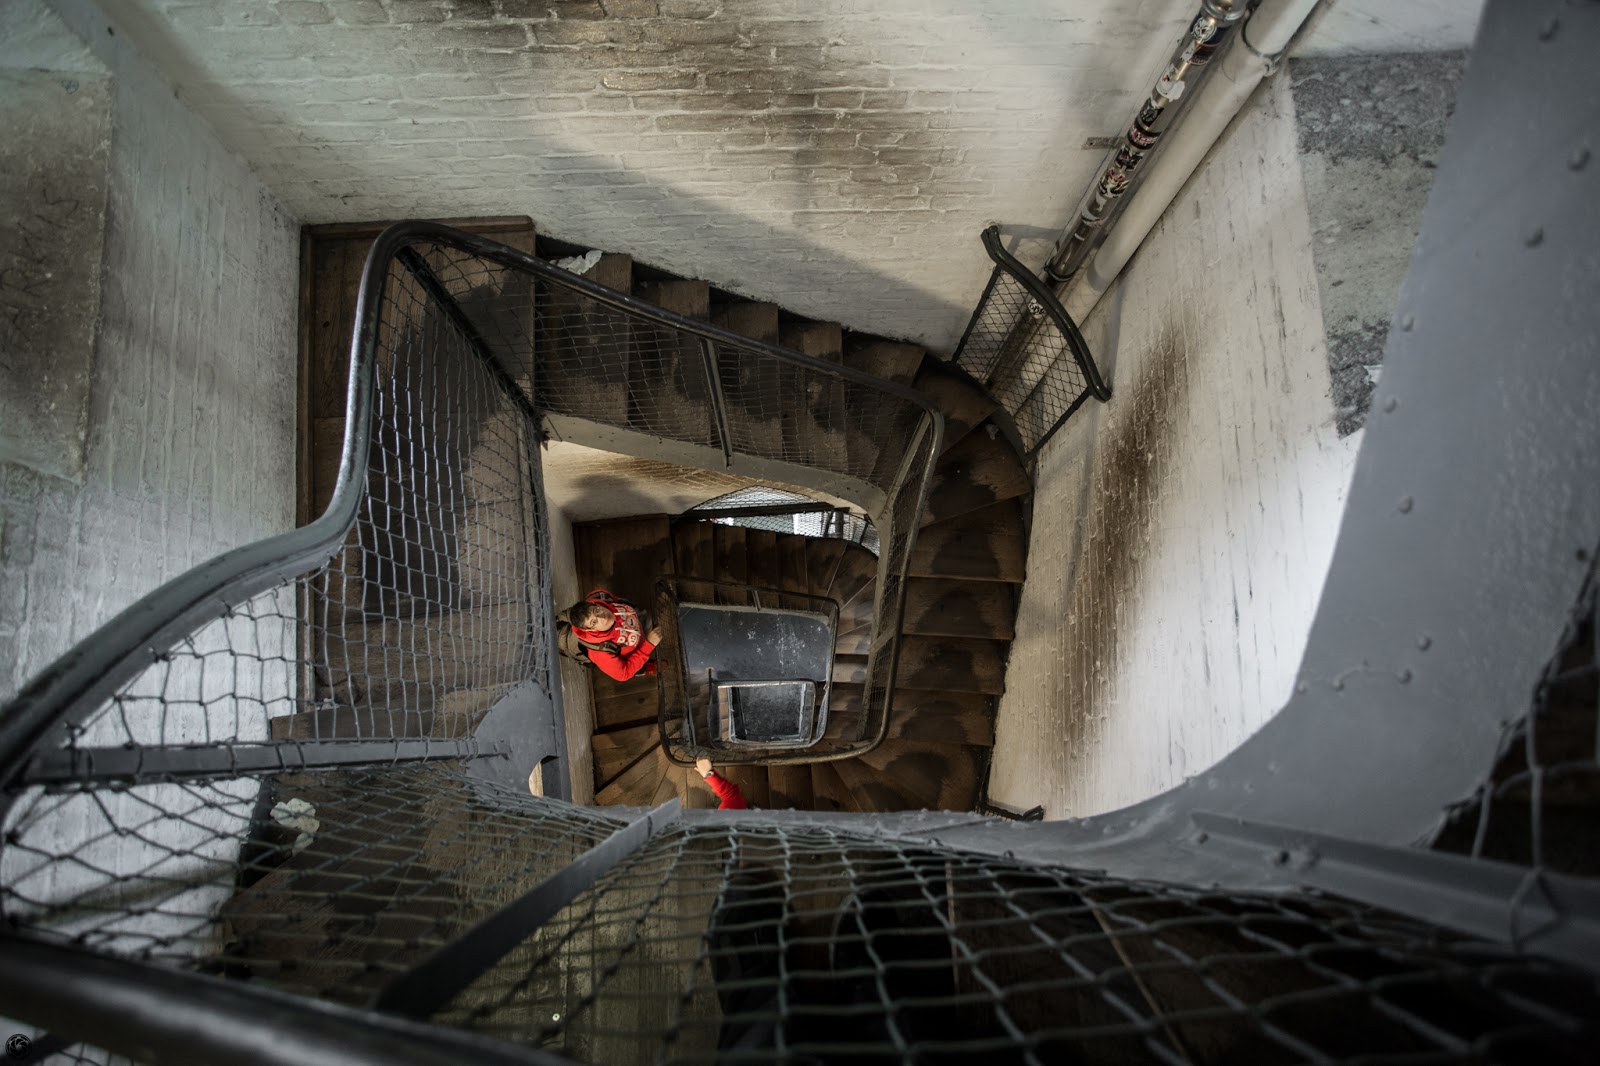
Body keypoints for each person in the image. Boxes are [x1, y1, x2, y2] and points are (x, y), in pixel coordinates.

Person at [560, 589, 662, 682]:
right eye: (594, 622)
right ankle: (645, 669)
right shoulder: (600, 652)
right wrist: (648, 645)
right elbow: (623, 673)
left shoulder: (600, 597)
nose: (603, 618)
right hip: (635, 652)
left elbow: (617, 600)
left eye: (596, 611)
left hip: (634, 626)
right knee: (638, 667)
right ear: (591, 629)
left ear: (595, 604)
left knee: (646, 619)